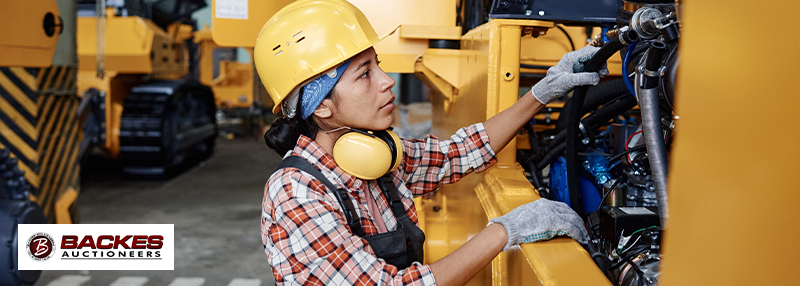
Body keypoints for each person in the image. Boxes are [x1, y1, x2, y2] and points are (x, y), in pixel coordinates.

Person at [255, 1, 606, 285]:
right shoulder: (297, 192)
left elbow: (461, 152)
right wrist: (505, 230)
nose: (386, 82)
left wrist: (543, 91)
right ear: (323, 106)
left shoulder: (377, 157)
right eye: (364, 74)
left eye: (378, 66)